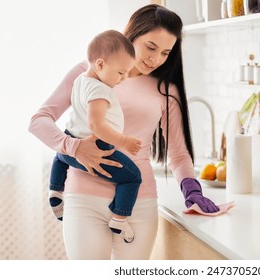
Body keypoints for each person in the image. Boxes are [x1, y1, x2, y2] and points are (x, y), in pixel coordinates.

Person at [29, 4, 219, 260]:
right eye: (150, 47)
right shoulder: (89, 73)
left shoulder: (165, 90)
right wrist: (72, 147)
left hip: (139, 203)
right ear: (132, 33)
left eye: (165, 52)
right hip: (84, 198)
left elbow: (178, 153)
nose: (155, 59)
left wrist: (192, 190)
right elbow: (39, 120)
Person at [48, 29, 142, 244]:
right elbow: (96, 124)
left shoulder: (80, 79)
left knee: (59, 154)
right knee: (133, 177)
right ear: (100, 65)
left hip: (70, 142)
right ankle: (119, 218)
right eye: (121, 72)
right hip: (97, 149)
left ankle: (55, 190)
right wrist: (124, 141)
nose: (124, 78)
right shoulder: (101, 90)